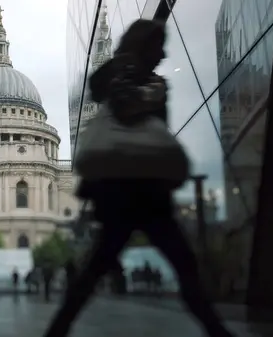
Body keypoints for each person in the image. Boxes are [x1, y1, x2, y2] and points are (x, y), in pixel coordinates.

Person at [43, 19, 234, 337]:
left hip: (133, 190)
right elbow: (123, 105)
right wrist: (152, 93)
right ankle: (217, 330)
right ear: (145, 46)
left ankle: (58, 329)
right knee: (179, 265)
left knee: (101, 269)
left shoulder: (130, 75)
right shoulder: (131, 74)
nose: (162, 54)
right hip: (132, 189)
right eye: (158, 47)